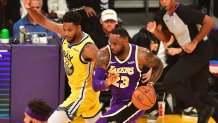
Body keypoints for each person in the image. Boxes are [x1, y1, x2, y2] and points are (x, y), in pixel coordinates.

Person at [23, 0, 102, 122]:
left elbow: (104, 62)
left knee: (54, 121)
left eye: (70, 30)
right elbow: (43, 21)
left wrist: (107, 80)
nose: (66, 33)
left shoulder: (88, 48)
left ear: (78, 28)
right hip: (81, 92)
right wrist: (29, 9)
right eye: (64, 29)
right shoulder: (66, 32)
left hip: (84, 94)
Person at [146, 0, 218, 122]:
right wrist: (155, 31)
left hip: (200, 51)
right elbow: (168, 37)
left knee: (169, 82)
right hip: (190, 53)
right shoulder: (165, 16)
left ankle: (202, 108)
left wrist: (194, 42)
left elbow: (209, 22)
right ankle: (207, 110)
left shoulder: (183, 11)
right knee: (200, 91)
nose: (163, 1)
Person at [92, 26, 163, 123]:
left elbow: (159, 65)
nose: (112, 46)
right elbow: (95, 86)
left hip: (136, 100)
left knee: (105, 121)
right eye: (110, 43)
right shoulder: (104, 54)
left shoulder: (141, 54)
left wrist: (150, 84)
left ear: (125, 41)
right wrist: (107, 83)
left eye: (115, 44)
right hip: (116, 101)